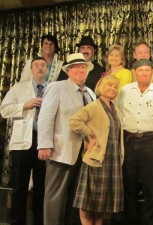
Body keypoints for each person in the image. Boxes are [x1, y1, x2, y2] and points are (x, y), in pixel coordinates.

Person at [37, 53, 96, 225]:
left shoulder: (90, 93)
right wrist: (44, 144)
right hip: (61, 150)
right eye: (76, 67)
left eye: (83, 67)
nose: (80, 70)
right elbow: (46, 117)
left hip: (83, 153)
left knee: (75, 197)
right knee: (55, 195)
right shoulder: (58, 87)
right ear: (68, 70)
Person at [118, 58, 153, 225]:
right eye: (140, 70)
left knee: (152, 187)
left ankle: (151, 221)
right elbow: (119, 116)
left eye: (147, 70)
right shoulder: (125, 91)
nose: (144, 73)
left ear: (152, 72)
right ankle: (130, 220)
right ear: (135, 72)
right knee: (129, 185)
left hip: (151, 142)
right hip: (128, 140)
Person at [69, 75, 124, 225]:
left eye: (115, 87)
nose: (112, 89)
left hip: (111, 160)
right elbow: (74, 121)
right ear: (101, 87)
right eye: (109, 85)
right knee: (88, 202)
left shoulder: (115, 109)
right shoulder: (94, 106)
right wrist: (90, 135)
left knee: (101, 204)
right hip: (96, 159)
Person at [0, 57, 48, 225]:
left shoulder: (52, 89)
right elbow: (4, 110)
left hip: (44, 143)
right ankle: (16, 221)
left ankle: (39, 222)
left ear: (47, 69)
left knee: (41, 188)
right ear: (31, 69)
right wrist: (24, 105)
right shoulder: (19, 88)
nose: (40, 68)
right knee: (19, 186)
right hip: (22, 143)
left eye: (43, 65)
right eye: (36, 65)